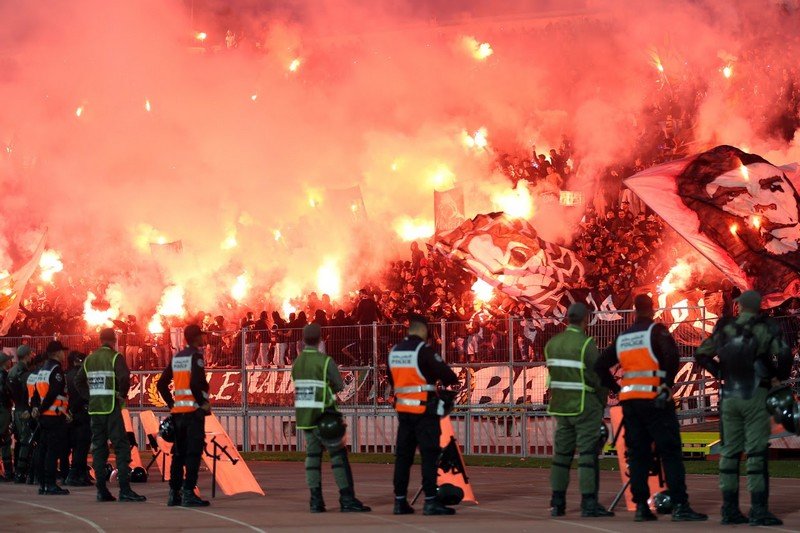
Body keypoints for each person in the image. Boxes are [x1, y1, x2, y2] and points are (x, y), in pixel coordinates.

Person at [595, 295, 707, 522]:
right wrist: (666, 384)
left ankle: (641, 508)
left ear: (635, 311)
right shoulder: (657, 331)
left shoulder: (623, 337)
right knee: (670, 452)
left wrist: (616, 387)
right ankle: (680, 506)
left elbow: (599, 365)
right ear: (652, 309)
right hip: (655, 399)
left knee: (638, 454)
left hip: (630, 402)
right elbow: (671, 357)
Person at [694, 290, 792, 526]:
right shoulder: (764, 327)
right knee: (756, 452)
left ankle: (729, 510)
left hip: (729, 396)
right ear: (758, 307)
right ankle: (758, 511)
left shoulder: (725, 328)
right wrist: (779, 378)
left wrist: (719, 373)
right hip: (756, 392)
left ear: (739, 307)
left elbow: (701, 354)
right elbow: (784, 353)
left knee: (729, 452)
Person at [291, 323, 370, 513]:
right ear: (320, 339)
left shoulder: (297, 363)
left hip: (305, 416)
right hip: (325, 415)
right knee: (338, 457)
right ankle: (347, 498)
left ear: (303, 339)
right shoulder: (324, 361)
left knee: (312, 458)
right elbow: (339, 385)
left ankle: (316, 500)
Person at [545, 303, 612, 518]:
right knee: (587, 456)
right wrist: (601, 403)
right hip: (584, 406)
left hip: (561, 406)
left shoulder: (552, 344)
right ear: (585, 320)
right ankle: (589, 504)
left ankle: (557, 503)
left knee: (561, 456)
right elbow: (598, 377)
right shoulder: (586, 344)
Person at [388, 313, 459, 516]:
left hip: (404, 412)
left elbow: (392, 380)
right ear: (423, 330)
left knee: (403, 458)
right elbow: (448, 375)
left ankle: (399, 502)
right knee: (429, 456)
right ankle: (430, 501)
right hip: (424, 412)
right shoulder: (423, 350)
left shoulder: (394, 351)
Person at [75, 329, 145, 502]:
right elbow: (124, 377)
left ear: (99, 340)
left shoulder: (90, 359)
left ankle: (101, 490)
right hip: (111, 408)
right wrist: (122, 393)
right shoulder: (115, 357)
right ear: (114, 341)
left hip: (95, 409)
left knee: (99, 449)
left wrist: (89, 396)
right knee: (121, 447)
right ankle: (125, 489)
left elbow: (78, 381)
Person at [157, 324, 211, 507]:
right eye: (202, 336)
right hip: (193, 413)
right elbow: (197, 383)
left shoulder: (177, 357)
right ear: (196, 338)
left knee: (178, 455)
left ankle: (174, 493)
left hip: (178, 414)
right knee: (193, 453)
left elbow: (161, 384)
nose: (204, 338)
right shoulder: (195, 356)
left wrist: (171, 404)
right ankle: (189, 492)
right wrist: (203, 402)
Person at [32, 340, 70, 495]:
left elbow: (35, 393)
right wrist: (41, 409)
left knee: (42, 449)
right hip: (53, 416)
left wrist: (36, 408)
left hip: (44, 417)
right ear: (56, 353)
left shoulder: (42, 370)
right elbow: (53, 393)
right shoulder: (56, 370)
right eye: (62, 351)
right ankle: (50, 484)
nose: (64, 354)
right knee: (52, 451)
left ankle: (42, 483)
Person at [64, 351, 92, 486]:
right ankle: (76, 474)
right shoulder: (80, 375)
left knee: (75, 445)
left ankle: (78, 473)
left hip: (71, 413)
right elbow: (83, 394)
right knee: (82, 446)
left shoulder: (66, 374)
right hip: (81, 412)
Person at [7, 345, 34, 483]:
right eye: (30, 354)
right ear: (26, 355)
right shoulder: (24, 372)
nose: (31, 356)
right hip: (24, 409)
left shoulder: (11, 371)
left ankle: (18, 468)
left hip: (16, 408)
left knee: (19, 440)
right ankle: (21, 472)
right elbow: (28, 391)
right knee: (26, 440)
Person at [0, 353, 13, 481]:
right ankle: (8, 471)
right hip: (3, 409)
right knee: (3, 438)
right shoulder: (3, 375)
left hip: (3, 408)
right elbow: (6, 392)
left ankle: (8, 471)